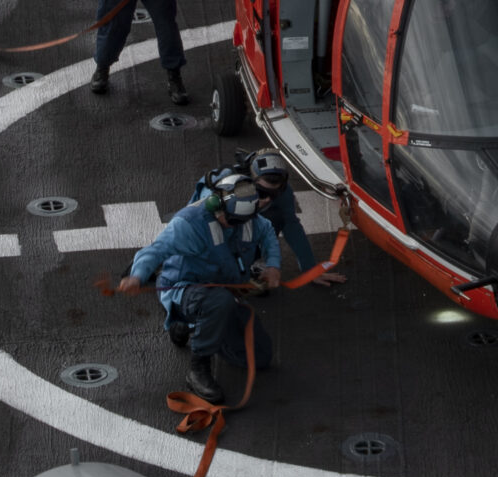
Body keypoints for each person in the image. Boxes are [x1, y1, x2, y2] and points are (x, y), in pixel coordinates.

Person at [118, 169, 283, 403]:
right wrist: (137, 277)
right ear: (216, 203)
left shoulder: (248, 218)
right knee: (218, 302)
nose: (231, 227)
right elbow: (154, 251)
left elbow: (266, 232)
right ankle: (198, 368)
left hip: (224, 288)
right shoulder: (188, 223)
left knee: (260, 356)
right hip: (185, 287)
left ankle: (194, 326)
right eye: (229, 220)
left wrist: (273, 265)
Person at [244, 151, 346, 287]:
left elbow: (292, 228)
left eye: (273, 193)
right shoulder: (229, 189)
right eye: (262, 192)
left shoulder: (283, 191)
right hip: (219, 238)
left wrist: (310, 270)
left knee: (276, 217)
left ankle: (250, 259)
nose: (267, 199)